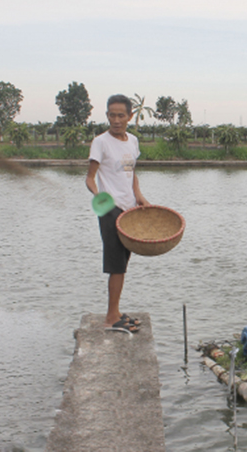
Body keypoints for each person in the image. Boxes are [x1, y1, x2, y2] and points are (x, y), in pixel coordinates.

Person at [86, 94, 149, 332]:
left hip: (129, 209)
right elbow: (90, 177)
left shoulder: (132, 141)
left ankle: (116, 311)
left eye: (121, 115)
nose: (116, 120)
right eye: (111, 115)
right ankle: (111, 318)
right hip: (110, 209)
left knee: (123, 262)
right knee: (116, 265)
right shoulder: (100, 142)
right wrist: (98, 195)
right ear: (107, 116)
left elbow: (130, 173)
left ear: (130, 116)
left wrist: (139, 195)